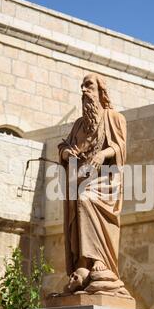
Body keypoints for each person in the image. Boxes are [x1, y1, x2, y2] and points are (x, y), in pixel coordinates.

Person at [58, 73, 127, 293]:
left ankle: (98, 259)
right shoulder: (79, 124)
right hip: (81, 178)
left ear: (100, 91)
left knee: (85, 198)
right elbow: (63, 147)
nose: (84, 90)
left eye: (89, 86)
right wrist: (68, 153)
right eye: (82, 86)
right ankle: (82, 263)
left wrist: (103, 154)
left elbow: (121, 148)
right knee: (79, 198)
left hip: (106, 180)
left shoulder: (114, 118)